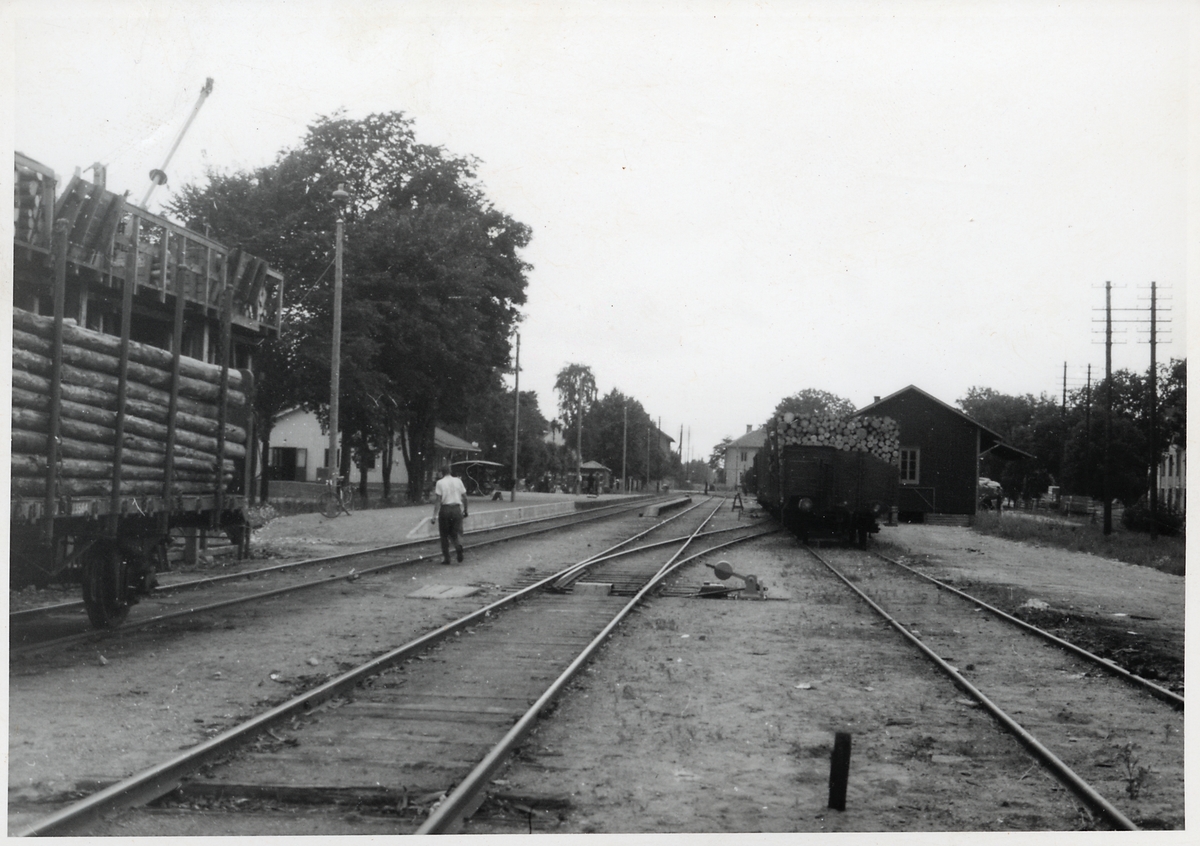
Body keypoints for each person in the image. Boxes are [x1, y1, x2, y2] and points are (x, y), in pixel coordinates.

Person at [432, 463, 468, 564]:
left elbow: (438, 500)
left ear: (442, 472)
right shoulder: (458, 481)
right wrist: (465, 510)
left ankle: (447, 558)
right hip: (456, 509)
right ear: (450, 471)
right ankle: (458, 546)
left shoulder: (439, 483)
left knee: (444, 535)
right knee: (457, 532)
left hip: (445, 510)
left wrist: (434, 516)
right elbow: (465, 497)